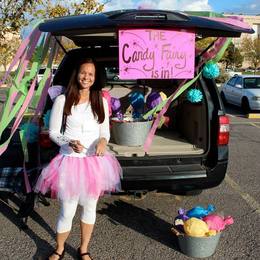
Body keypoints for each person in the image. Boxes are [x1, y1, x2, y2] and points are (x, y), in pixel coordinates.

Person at [34, 58, 122, 260]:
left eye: (91, 74)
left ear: (95, 77)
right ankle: (59, 248)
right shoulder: (62, 100)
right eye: (84, 72)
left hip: (94, 162)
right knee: (67, 209)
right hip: (70, 161)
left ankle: (84, 249)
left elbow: (104, 132)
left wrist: (102, 141)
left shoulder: (100, 100)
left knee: (90, 207)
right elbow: (54, 133)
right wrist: (69, 141)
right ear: (77, 74)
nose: (87, 77)